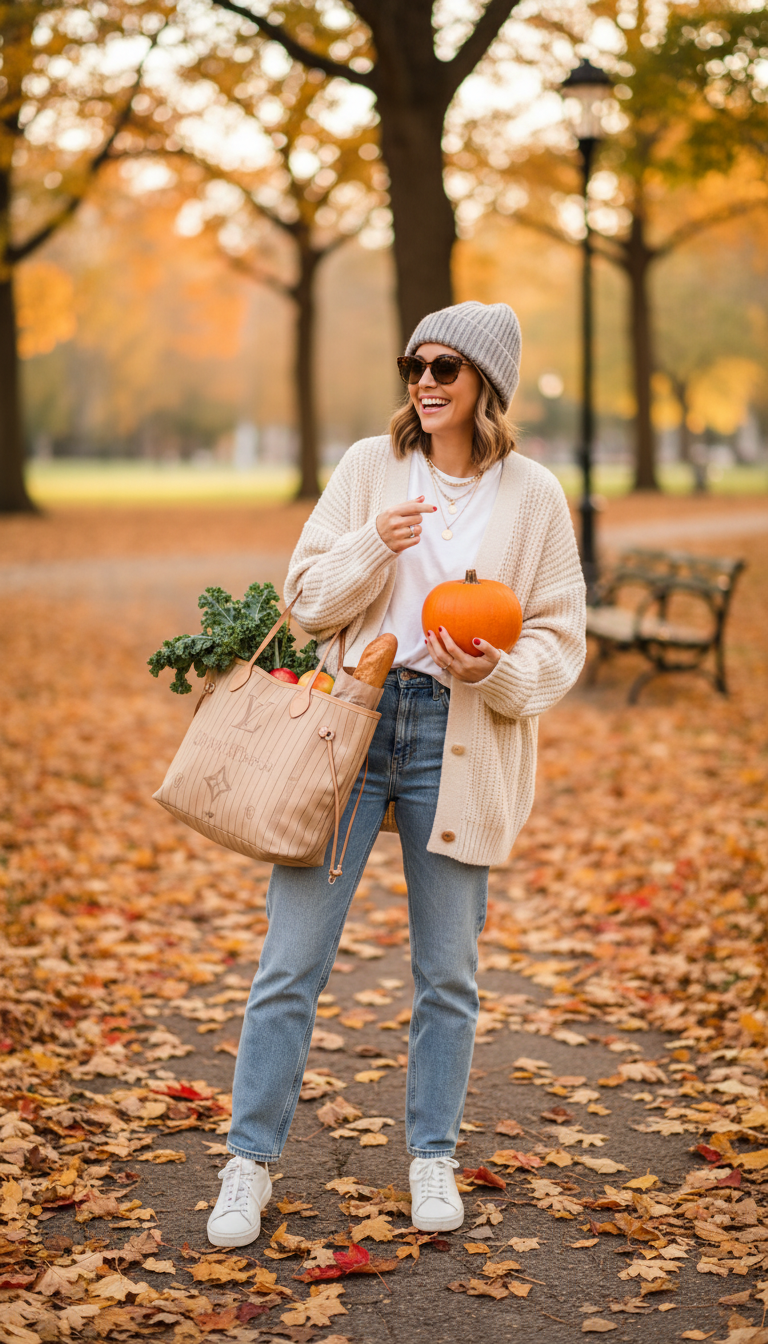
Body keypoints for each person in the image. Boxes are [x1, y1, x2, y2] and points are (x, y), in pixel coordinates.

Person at [206, 301, 587, 1247]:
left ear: (486, 383)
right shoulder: (369, 468)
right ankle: (248, 1161)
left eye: (445, 368)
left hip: (459, 733)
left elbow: (560, 638)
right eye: (415, 364)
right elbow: (303, 602)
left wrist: (494, 673)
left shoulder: (534, 494)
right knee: (290, 960)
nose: (424, 381)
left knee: (447, 971)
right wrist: (374, 540)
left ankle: (431, 1156)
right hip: (350, 722)